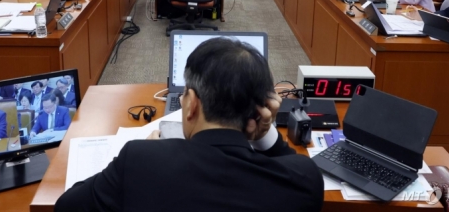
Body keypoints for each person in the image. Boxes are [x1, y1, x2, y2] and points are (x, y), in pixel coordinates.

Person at [55, 38, 325, 212]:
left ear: (192, 103)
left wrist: (141, 155)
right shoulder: (304, 179)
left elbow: (65, 207)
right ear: (260, 110)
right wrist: (266, 138)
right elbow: (292, 165)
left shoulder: (139, 161)